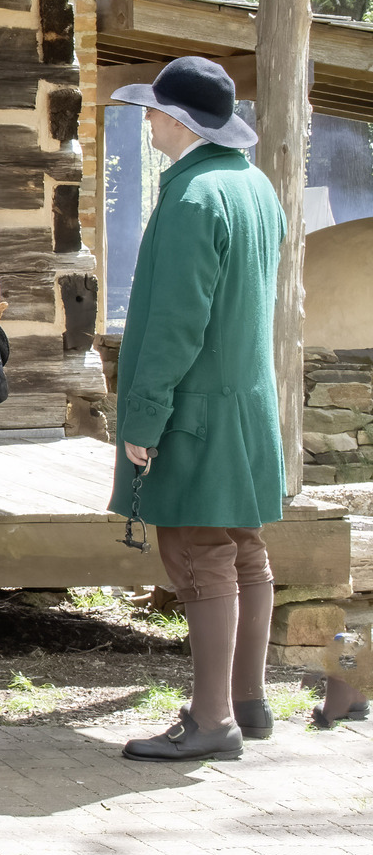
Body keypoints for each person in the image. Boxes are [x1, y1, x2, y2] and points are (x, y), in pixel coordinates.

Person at [107, 57, 285, 762]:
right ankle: (247, 699)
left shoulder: (192, 198)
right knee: (243, 547)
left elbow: (176, 324)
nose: (146, 118)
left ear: (179, 122)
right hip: (244, 403)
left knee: (197, 549)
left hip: (197, 408)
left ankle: (213, 720)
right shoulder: (252, 184)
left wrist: (143, 419)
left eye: (153, 109)